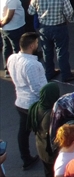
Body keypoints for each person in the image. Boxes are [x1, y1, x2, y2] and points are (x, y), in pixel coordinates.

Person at [30, 0, 74, 81]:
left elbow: (30, 11)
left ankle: (49, 73)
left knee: (46, 51)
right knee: (62, 51)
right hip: (59, 27)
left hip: (44, 28)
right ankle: (66, 74)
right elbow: (69, 12)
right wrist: (70, 20)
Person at [8, 32, 46, 171]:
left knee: (23, 132)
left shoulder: (12, 58)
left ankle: (26, 158)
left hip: (20, 101)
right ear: (31, 45)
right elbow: (37, 88)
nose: (37, 45)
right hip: (33, 104)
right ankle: (47, 157)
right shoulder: (32, 64)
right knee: (43, 132)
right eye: (36, 43)